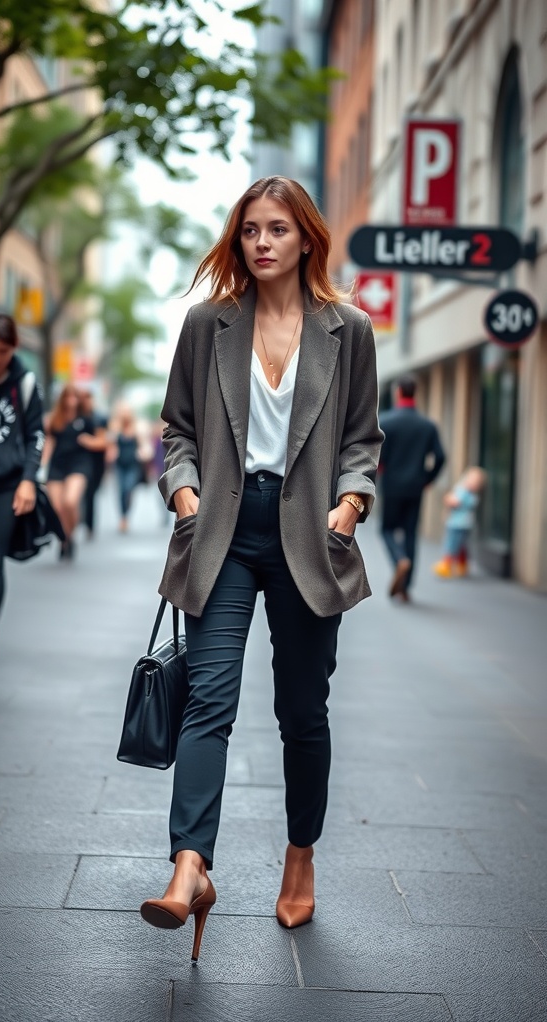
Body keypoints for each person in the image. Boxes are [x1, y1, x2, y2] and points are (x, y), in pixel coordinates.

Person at [139, 176, 384, 960]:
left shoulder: (349, 329)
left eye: (278, 229)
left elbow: (362, 439)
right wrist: (184, 492)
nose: (262, 243)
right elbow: (178, 427)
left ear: (306, 237)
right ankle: (189, 867)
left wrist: (350, 505)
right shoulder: (207, 323)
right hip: (222, 529)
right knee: (207, 701)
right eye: (250, 230)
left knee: (302, 712)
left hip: (311, 534)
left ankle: (300, 854)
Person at [0, 313, 44, 675]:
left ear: (14, 347)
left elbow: (36, 435)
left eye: (2, 350)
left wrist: (29, 479)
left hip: (5, 486)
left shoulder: (24, 383)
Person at [378, 374, 445, 602]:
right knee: (410, 533)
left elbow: (377, 455)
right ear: (415, 392)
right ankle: (405, 588)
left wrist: (380, 470)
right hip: (416, 487)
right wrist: (427, 479)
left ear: (398, 392)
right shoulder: (427, 426)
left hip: (392, 486)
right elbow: (441, 457)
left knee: (387, 529)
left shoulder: (386, 422)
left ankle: (399, 560)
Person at [42, 384, 98, 559]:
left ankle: (69, 535)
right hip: (57, 465)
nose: (71, 401)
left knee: (70, 502)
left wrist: (89, 441)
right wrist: (42, 465)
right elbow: (49, 443)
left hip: (79, 464)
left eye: (74, 397)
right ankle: (65, 538)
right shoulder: (55, 419)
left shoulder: (86, 419)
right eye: (67, 397)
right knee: (57, 507)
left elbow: (103, 440)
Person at [432, 466, 486, 578]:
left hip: (458, 524)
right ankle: (462, 564)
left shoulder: (466, 493)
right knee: (461, 545)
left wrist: (447, 498)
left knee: (452, 544)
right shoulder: (468, 493)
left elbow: (455, 502)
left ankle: (446, 565)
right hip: (460, 523)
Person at [80, 389, 109, 538]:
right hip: (79, 462)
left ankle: (88, 524)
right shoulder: (76, 417)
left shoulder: (98, 418)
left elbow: (102, 442)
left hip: (96, 462)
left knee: (91, 493)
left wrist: (87, 441)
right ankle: (86, 523)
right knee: (87, 494)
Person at [111, 404, 142, 533]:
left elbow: (142, 445)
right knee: (121, 491)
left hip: (132, 464)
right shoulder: (115, 428)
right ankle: (123, 517)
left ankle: (126, 513)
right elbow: (111, 444)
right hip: (120, 465)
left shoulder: (136, 428)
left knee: (128, 489)